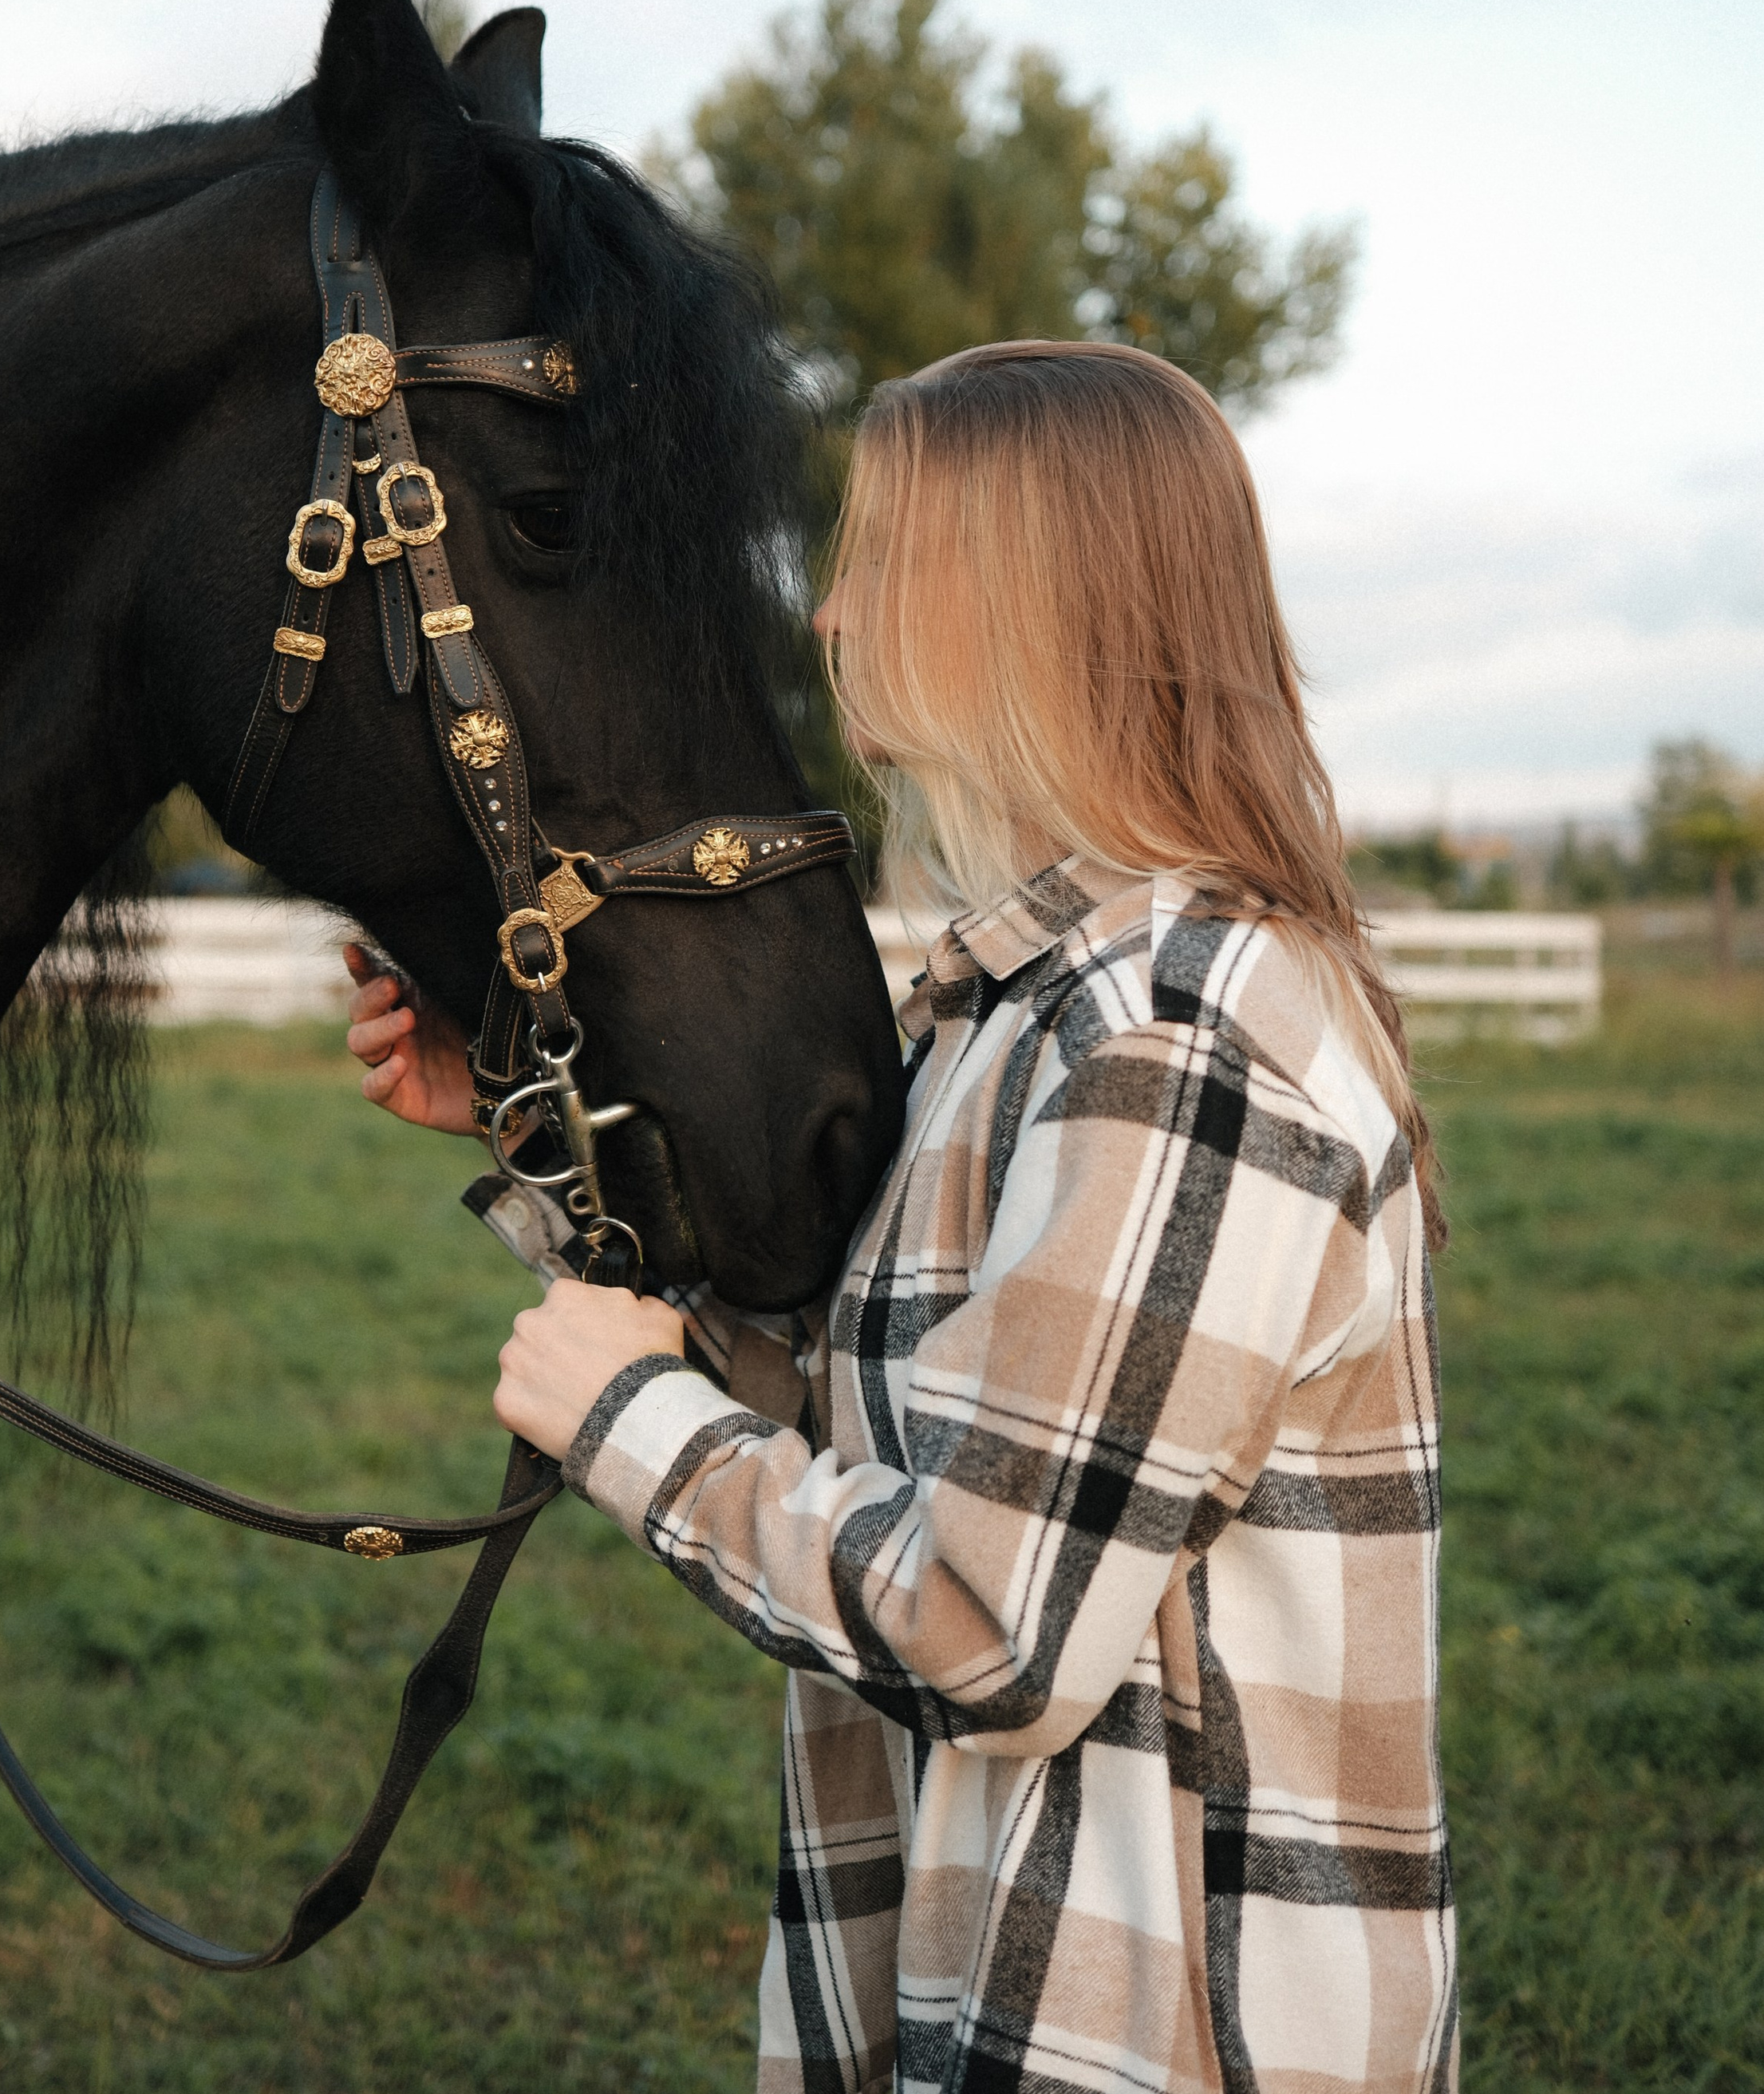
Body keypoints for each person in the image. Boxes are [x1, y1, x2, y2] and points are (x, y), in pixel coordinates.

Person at [346, 341, 1458, 2094]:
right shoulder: (1018, 1002)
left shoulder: (1168, 1039)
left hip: (1152, 2035)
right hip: (977, 2001)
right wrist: (528, 1130)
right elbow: (873, 1417)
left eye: (875, 560)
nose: (828, 618)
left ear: (1024, 604)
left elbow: (990, 1626)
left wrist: (630, 1425)